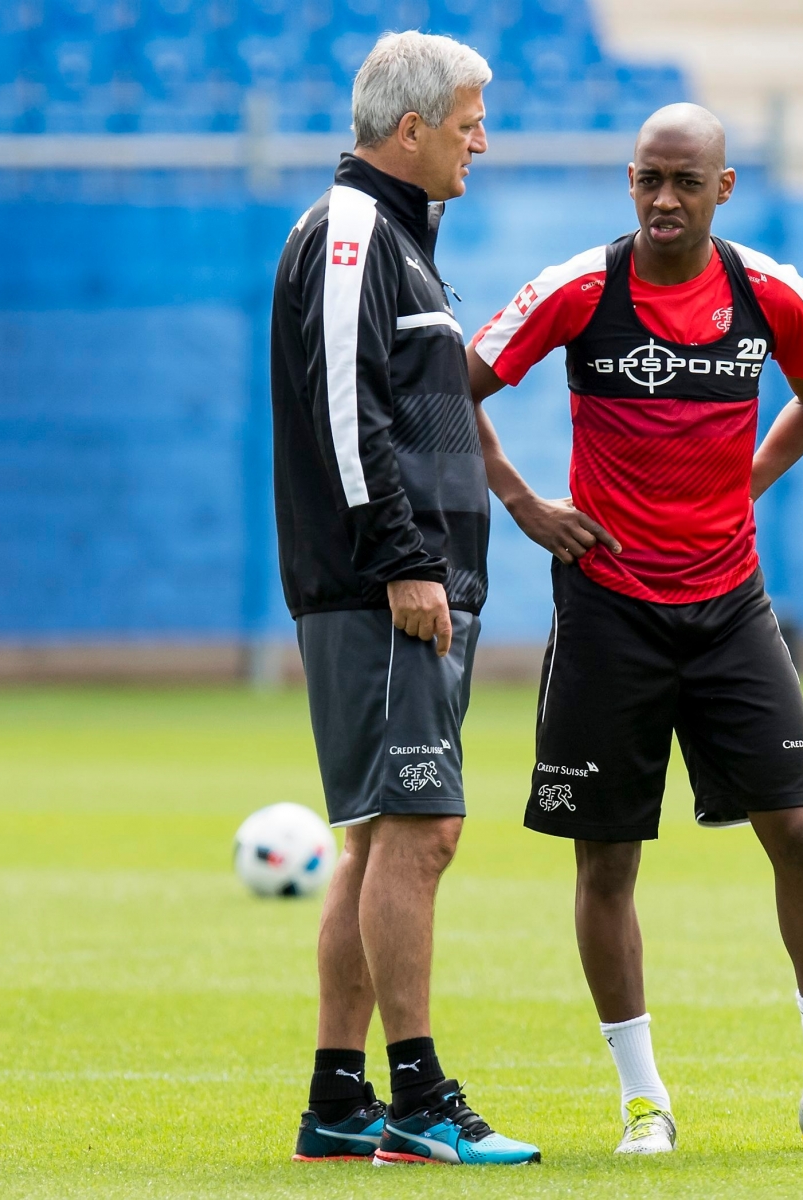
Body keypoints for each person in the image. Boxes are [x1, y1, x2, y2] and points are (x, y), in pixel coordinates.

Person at [465, 102, 803, 1155]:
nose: (664, 200)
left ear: (723, 188)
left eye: (685, 182)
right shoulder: (577, 290)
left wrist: (745, 482)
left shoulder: (769, 294)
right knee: (606, 860)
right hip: (608, 610)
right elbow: (448, 388)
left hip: (730, 608)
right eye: (647, 180)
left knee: (799, 834)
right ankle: (641, 1099)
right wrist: (523, 504)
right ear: (628, 181)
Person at [268, 31, 539, 1167]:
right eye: (469, 117)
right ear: (411, 125)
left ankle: (339, 1100)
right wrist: (403, 562)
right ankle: (420, 1101)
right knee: (422, 833)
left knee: (381, 836)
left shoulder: (400, 240)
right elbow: (344, 408)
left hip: (409, 583)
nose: (483, 137)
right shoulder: (350, 234)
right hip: (387, 590)